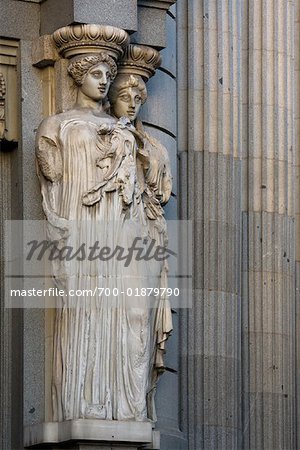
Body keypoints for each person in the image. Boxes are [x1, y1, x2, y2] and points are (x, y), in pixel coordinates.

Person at [36, 51, 159, 422]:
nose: (104, 80)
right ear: (78, 76)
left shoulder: (125, 128)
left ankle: (124, 407)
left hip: (121, 232)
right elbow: (52, 182)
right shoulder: (55, 126)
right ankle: (81, 405)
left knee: (133, 313)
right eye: (95, 73)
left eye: (108, 74)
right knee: (81, 314)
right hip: (81, 232)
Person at [108, 50, 173, 420]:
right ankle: (118, 402)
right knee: (118, 317)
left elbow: (161, 196)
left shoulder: (156, 148)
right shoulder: (105, 139)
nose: (132, 103)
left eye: (138, 98)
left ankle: (136, 404)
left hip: (148, 239)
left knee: (142, 319)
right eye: (124, 96)